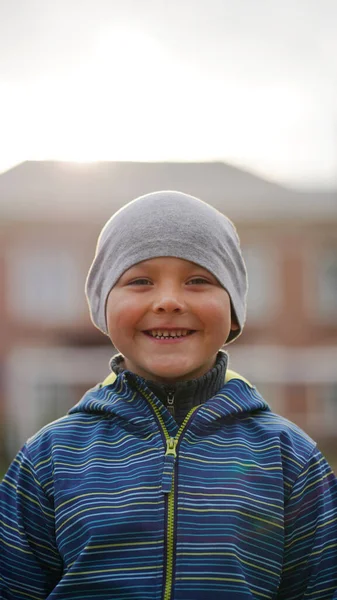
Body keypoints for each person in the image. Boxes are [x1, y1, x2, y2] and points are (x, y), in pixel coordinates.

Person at [1, 190, 337, 600]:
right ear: (102, 306)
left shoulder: (290, 458)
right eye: (140, 281)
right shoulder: (49, 457)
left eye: (199, 280)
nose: (168, 301)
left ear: (233, 310)